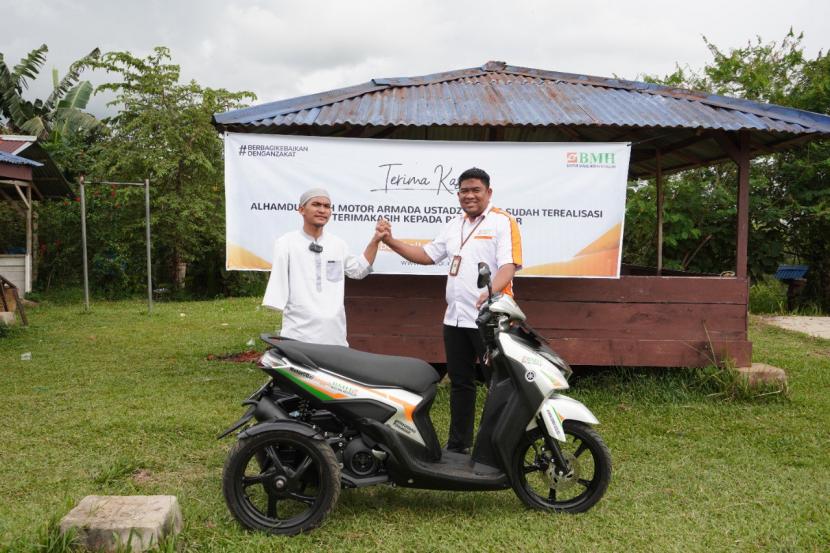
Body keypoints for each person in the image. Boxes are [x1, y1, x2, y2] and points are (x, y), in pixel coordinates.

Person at [377, 167, 522, 454]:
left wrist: (490, 291)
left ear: (488, 192)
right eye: (464, 191)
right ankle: (459, 445)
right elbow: (428, 255)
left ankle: (495, 448)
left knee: (499, 386)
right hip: (455, 319)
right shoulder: (454, 224)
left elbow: (509, 265)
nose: (470, 195)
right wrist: (390, 241)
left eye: (476, 190)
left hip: (489, 320)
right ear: (458, 195)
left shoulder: (502, 222)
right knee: (460, 383)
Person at [263, 187, 385, 346]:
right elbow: (278, 287)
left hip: (335, 335)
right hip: (298, 334)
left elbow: (358, 270)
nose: (322, 210)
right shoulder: (286, 243)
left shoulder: (338, 244)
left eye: (327, 206)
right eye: (316, 204)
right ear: (301, 210)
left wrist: (375, 240)